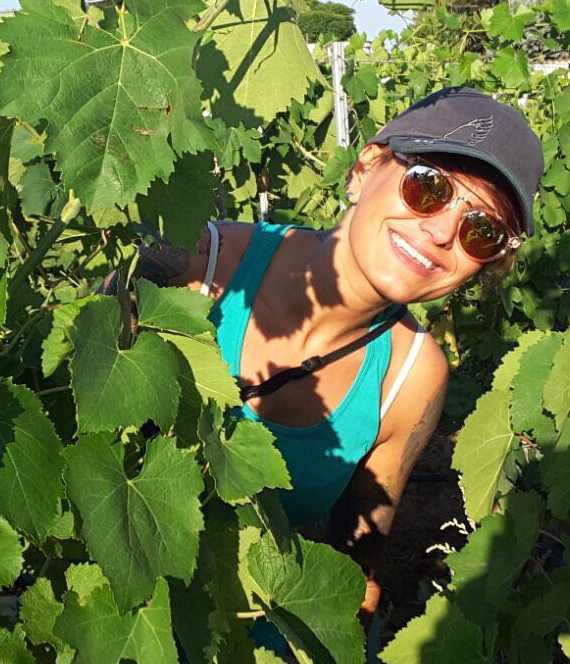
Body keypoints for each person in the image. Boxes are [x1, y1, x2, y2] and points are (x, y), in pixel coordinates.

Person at [132, 87, 544, 630]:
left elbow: (353, 569)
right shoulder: (193, 267)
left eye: (482, 231)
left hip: (250, 659)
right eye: (429, 187)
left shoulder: (410, 375)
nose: (443, 231)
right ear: (364, 169)